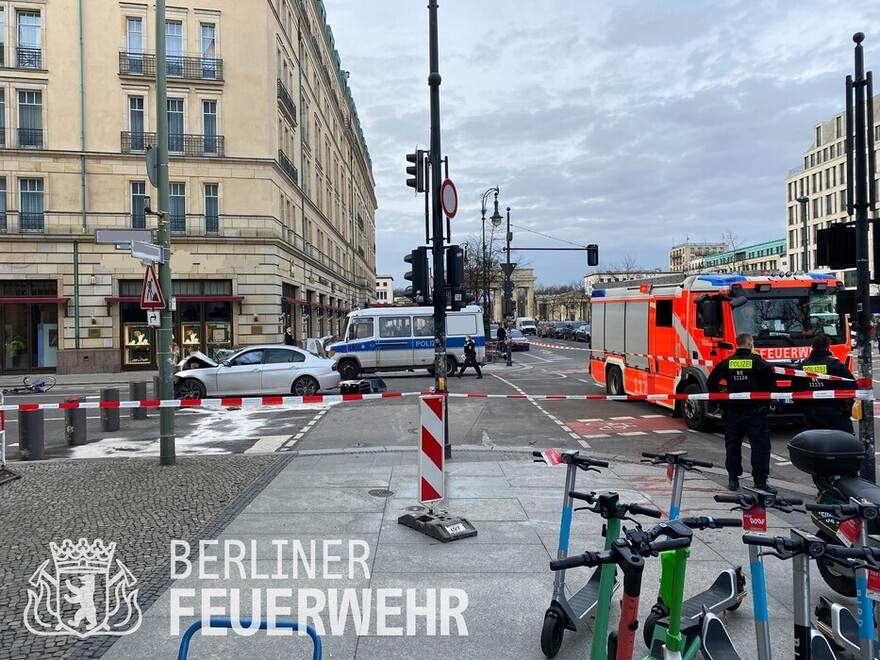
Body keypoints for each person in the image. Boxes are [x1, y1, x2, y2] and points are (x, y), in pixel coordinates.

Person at [707, 332, 776, 492]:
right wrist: (763, 403)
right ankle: (760, 482)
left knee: (733, 445)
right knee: (760, 447)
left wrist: (722, 401)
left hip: (733, 411)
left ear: (737, 343)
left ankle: (733, 479)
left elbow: (711, 382)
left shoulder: (727, 362)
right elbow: (772, 388)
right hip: (755, 411)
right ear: (750, 343)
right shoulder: (759, 363)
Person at [796, 334, 855, 433]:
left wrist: (805, 408)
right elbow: (851, 386)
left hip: (812, 413)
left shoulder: (802, 366)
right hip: (836, 412)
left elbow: (796, 390)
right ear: (828, 347)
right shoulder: (835, 365)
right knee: (844, 442)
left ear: (812, 347)